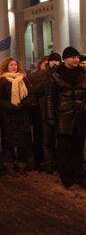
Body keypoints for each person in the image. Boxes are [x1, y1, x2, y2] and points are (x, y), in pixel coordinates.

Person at [47, 46, 86, 188]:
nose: (76, 60)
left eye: (77, 58)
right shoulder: (56, 75)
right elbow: (50, 98)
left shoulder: (83, 74)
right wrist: (51, 118)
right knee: (64, 150)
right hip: (64, 118)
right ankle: (66, 178)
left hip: (81, 117)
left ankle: (79, 177)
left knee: (78, 149)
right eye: (73, 57)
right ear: (66, 59)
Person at [0, 57, 33, 176]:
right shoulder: (3, 81)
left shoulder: (24, 79)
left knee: (23, 142)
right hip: (8, 116)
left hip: (22, 115)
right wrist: (10, 106)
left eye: (15, 65)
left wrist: (23, 104)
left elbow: (31, 94)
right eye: (11, 65)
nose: (14, 67)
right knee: (8, 143)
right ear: (7, 67)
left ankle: (22, 164)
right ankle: (9, 164)